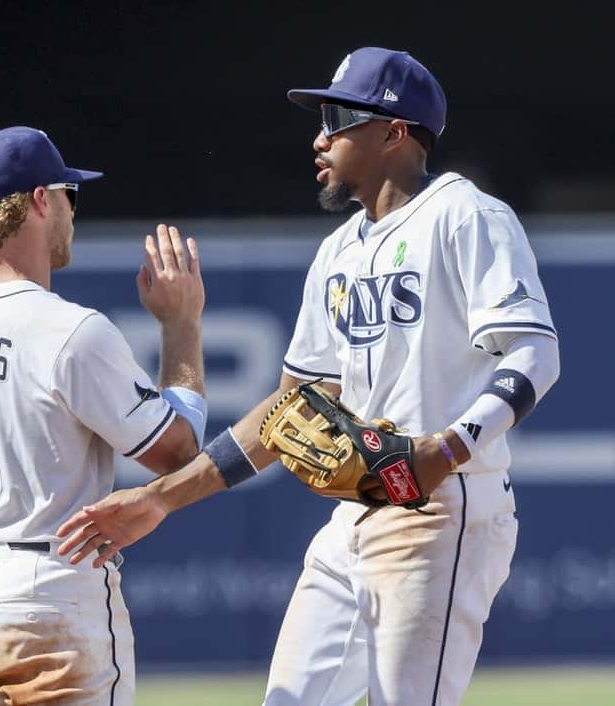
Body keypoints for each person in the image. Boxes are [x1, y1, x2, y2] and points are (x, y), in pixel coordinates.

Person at [57, 47, 560, 706]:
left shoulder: (466, 216)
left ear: (395, 130)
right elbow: (292, 410)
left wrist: (450, 447)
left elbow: (534, 354)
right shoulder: (338, 251)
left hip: (440, 508)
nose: (318, 136)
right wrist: (160, 498)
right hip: (354, 516)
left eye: (336, 115)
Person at [0, 126, 207, 705]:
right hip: (52, 587)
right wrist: (182, 326)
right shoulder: (70, 330)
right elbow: (177, 454)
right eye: (70, 195)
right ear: (42, 200)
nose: (71, 212)